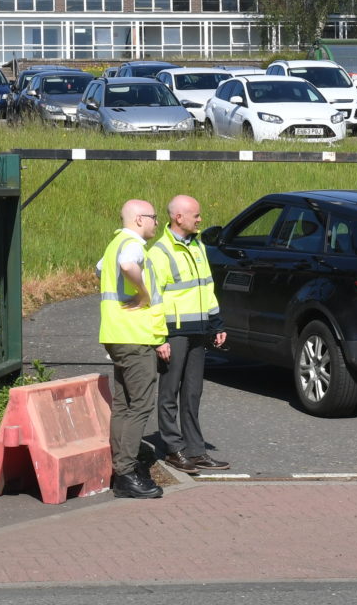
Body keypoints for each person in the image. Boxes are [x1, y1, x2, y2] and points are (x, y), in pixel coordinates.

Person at [146, 194, 228, 474]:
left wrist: (216, 324)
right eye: (195, 214)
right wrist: (159, 338)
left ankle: (196, 450)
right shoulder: (159, 252)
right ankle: (173, 449)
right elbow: (153, 299)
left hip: (199, 330)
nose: (200, 219)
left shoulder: (197, 246)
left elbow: (206, 287)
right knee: (170, 392)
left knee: (193, 392)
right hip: (174, 333)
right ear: (178, 217)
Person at [98, 199, 171, 499]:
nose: (157, 222)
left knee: (124, 404)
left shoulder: (114, 243)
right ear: (140, 219)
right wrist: (141, 293)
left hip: (116, 334)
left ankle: (121, 468)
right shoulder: (132, 246)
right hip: (134, 335)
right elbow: (127, 266)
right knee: (140, 405)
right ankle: (127, 473)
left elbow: (101, 269)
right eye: (153, 217)